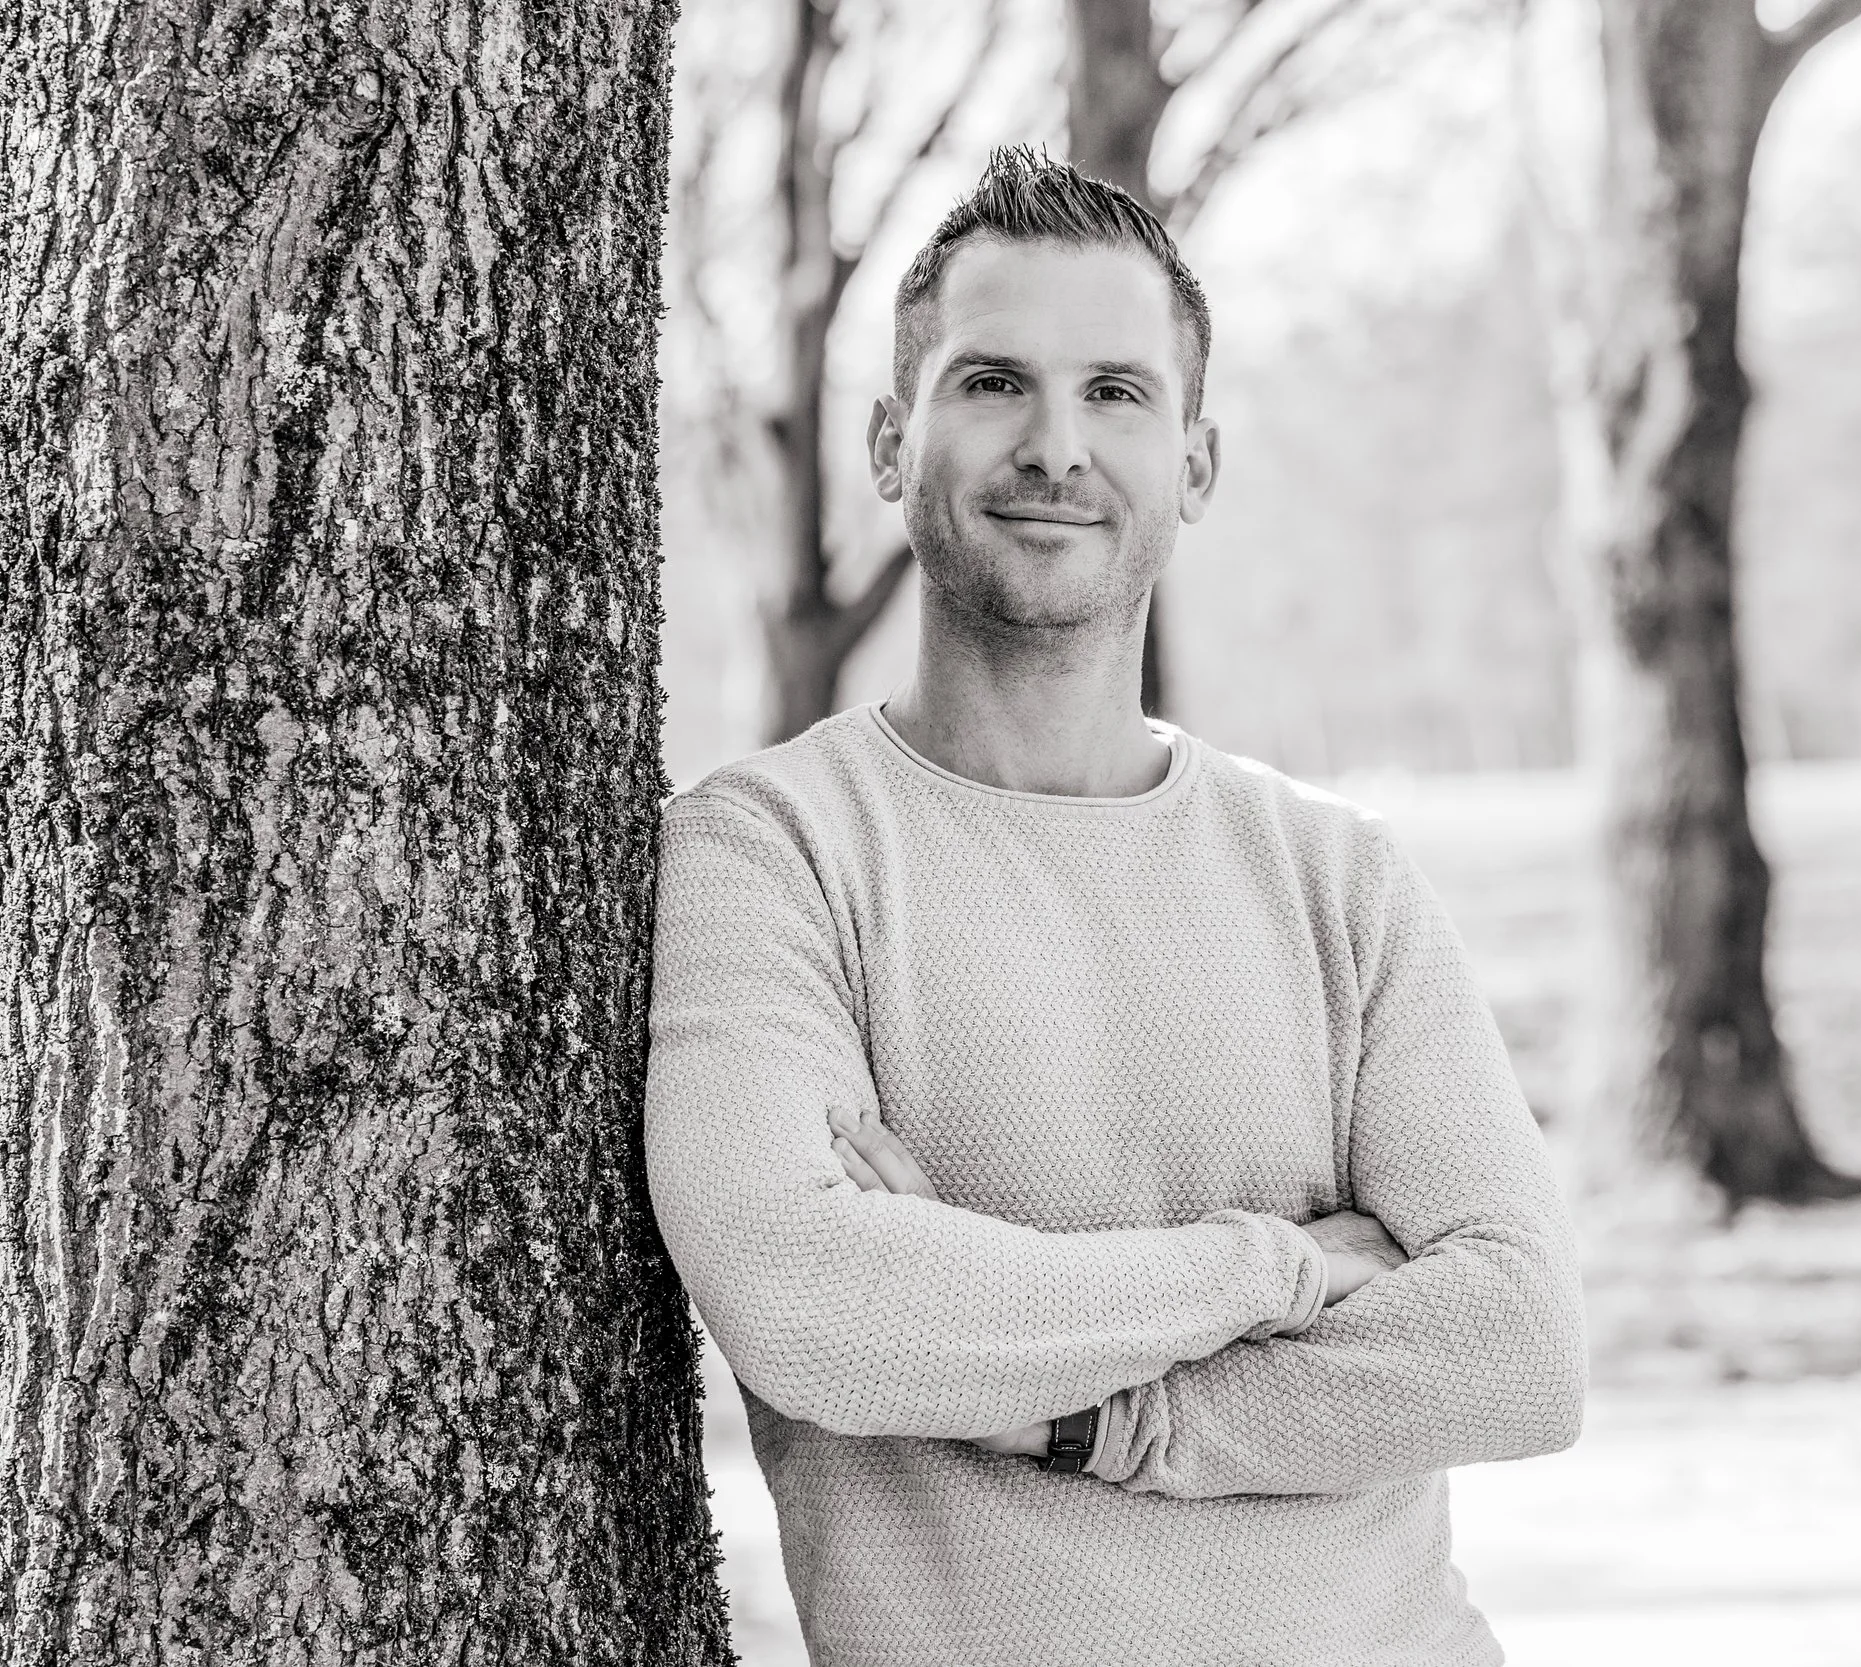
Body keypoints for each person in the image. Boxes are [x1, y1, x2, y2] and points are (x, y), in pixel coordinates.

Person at [643, 144, 1585, 1667]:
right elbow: (812, 1302)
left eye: (1118, 393)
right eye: (993, 382)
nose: (1055, 446)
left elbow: (1516, 1346)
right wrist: (1279, 1266)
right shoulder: (770, 853)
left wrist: (1077, 1403)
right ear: (892, 441)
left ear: (1196, 463)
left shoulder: (1337, 875)